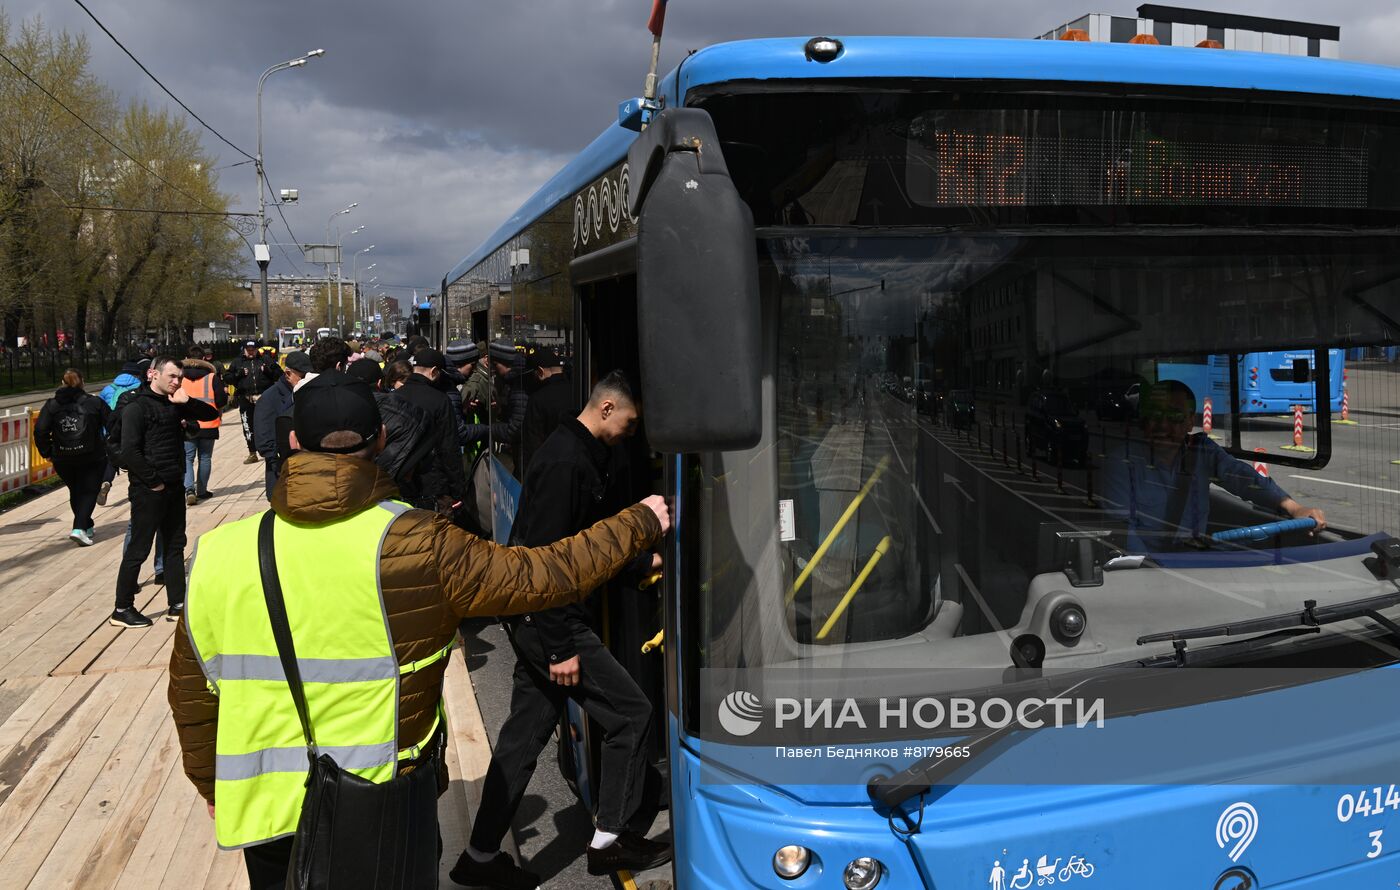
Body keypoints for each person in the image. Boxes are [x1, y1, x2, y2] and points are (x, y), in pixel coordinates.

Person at [167, 371, 671, 889]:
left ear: (292, 442)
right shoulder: (420, 543)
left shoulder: (216, 556)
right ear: (382, 439)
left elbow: (192, 699)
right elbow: (540, 575)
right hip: (387, 807)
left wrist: (212, 786)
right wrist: (636, 523)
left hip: (268, 819)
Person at [458, 371, 668, 886]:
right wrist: (558, 648)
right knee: (630, 715)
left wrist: (639, 565)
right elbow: (545, 564)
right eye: (629, 422)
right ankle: (611, 840)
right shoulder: (564, 463)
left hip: (539, 620)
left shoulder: (579, 453)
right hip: (549, 621)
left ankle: (479, 857)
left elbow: (582, 547)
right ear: (605, 410)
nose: (631, 433)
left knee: (524, 738)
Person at [1102, 379, 1326, 552]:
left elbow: (1244, 479)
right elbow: (1123, 531)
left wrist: (1294, 508)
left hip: (1195, 558)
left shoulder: (1201, 451)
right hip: (1149, 569)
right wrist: (1156, 571)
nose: (1163, 425)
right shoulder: (1123, 462)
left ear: (1190, 422)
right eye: (1155, 415)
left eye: (1174, 417)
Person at [111, 356, 220, 628]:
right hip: (149, 489)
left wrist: (187, 402)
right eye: (171, 376)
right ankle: (122, 608)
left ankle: (178, 603)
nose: (176, 382)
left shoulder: (174, 403)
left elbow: (210, 415)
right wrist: (152, 481)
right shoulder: (136, 407)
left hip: (173, 485)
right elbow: (129, 451)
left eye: (179, 378)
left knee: (174, 545)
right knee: (139, 547)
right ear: (152, 374)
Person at [33, 369, 112, 546]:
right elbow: (113, 423)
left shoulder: (52, 405)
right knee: (90, 491)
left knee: (76, 490)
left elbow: (40, 431)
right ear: (82, 382)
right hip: (92, 456)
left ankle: (87, 524)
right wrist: (110, 445)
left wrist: (47, 452)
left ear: (62, 382)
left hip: (62, 458)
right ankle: (79, 528)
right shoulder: (94, 403)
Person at [392, 348, 468, 513]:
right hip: (433, 487)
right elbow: (449, 448)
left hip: (398, 484)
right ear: (434, 371)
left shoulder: (394, 397)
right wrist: (457, 491)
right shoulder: (440, 400)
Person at [253, 351, 310, 498]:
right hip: (282, 471)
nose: (307, 379)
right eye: (302, 376)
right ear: (288, 374)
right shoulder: (269, 399)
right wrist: (280, 465)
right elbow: (264, 441)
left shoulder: (307, 392)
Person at [180, 346, 230, 505]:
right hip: (209, 424)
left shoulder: (180, 378)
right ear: (203, 359)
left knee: (187, 458)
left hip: (187, 425)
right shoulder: (211, 378)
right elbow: (222, 400)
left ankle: (189, 489)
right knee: (205, 457)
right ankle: (202, 491)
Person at [97, 358, 146, 506]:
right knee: (135, 458)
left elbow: (99, 409)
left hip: (111, 430)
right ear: (137, 374)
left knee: (112, 459)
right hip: (132, 429)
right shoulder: (140, 387)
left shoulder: (108, 388)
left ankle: (106, 481)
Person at [519, 344, 573, 472]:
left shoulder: (537, 400)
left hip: (549, 473)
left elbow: (532, 447)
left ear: (540, 372)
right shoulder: (579, 392)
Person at [226, 340, 279, 465]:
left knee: (267, 424)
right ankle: (252, 452)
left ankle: (270, 450)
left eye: (253, 350)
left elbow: (279, 374)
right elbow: (227, 378)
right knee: (248, 426)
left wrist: (268, 371)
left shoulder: (265, 359)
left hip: (264, 398)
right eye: (248, 350)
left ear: (257, 350)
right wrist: (238, 375)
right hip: (246, 398)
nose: (251, 352)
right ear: (244, 350)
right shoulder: (237, 362)